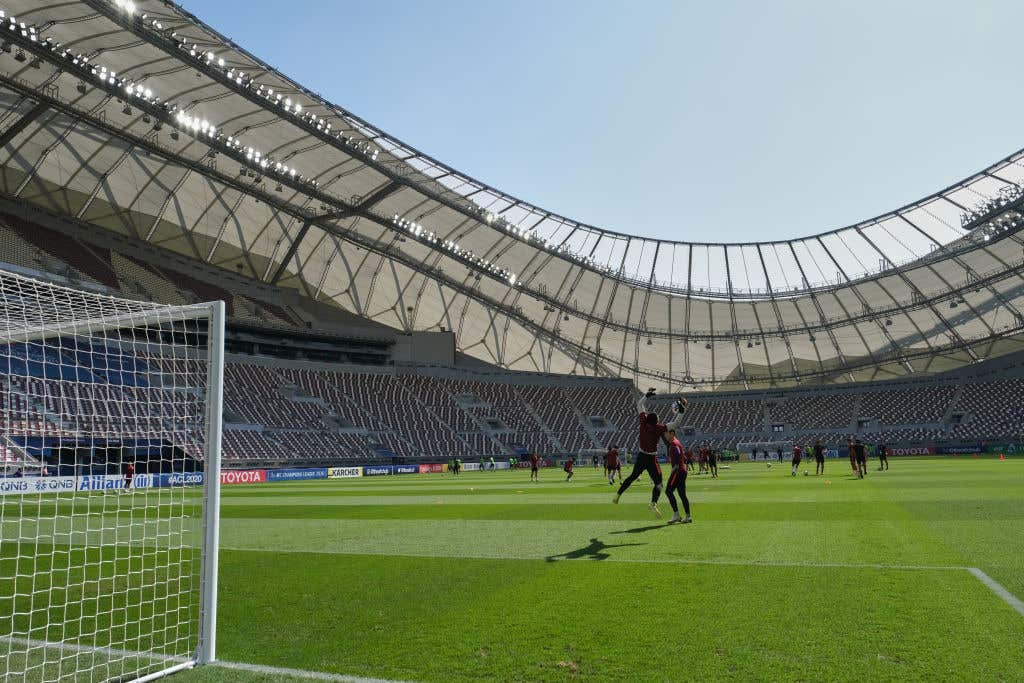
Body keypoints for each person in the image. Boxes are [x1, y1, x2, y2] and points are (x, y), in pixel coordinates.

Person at [612, 390, 687, 519]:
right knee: (659, 483)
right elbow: (675, 424)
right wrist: (681, 412)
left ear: (647, 418)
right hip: (652, 458)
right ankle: (653, 502)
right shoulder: (659, 428)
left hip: (641, 456)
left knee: (632, 476)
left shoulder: (643, 422)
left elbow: (639, 405)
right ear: (657, 421)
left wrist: (646, 396)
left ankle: (618, 495)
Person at [663, 430, 693, 524]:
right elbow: (682, 457)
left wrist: (674, 469)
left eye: (666, 434)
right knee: (682, 494)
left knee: (668, 491)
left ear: (672, 434)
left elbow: (678, 456)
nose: (665, 436)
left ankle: (676, 515)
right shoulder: (677, 442)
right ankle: (688, 516)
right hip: (682, 471)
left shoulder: (673, 444)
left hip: (678, 471)